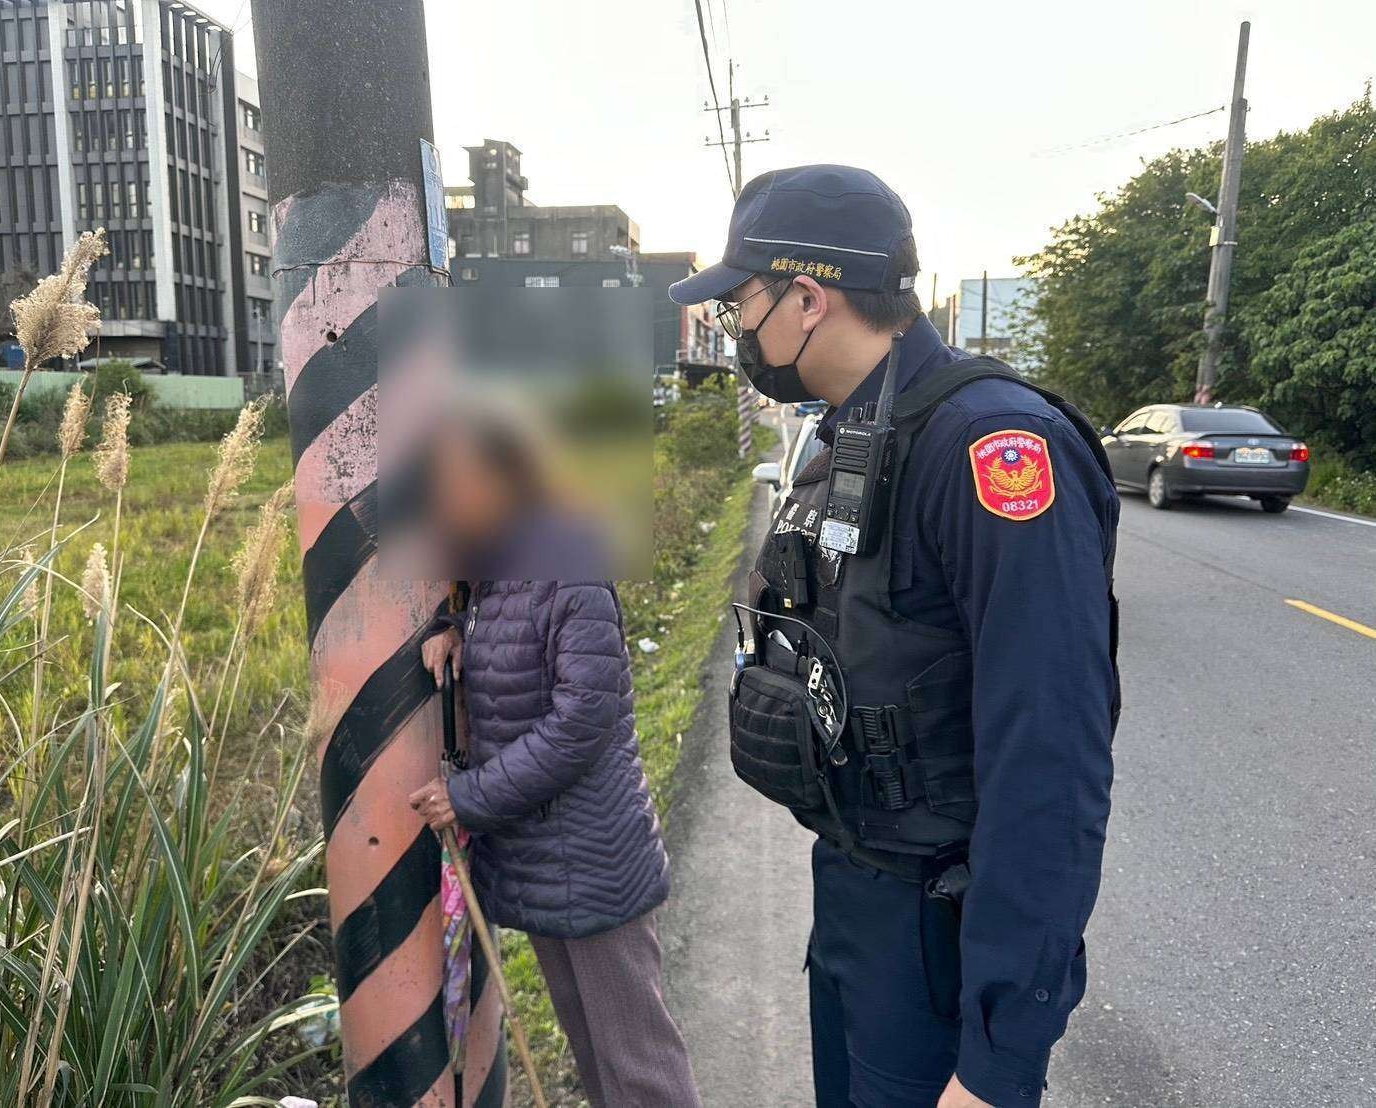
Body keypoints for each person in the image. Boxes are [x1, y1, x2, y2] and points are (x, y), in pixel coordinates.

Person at [669, 165, 1119, 1108]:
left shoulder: (988, 445)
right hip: (854, 896)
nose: (735, 328)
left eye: (739, 303)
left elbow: (1049, 756)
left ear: (806, 298)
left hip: (936, 933)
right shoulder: (853, 431)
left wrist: (998, 1055)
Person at [408, 424, 701, 1108]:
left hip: (592, 858)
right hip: (544, 861)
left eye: (458, 480)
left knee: (638, 1067)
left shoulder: (568, 563)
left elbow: (582, 722)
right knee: (596, 1057)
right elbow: (510, 654)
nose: (444, 497)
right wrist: (451, 629)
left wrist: (468, 797)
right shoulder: (493, 570)